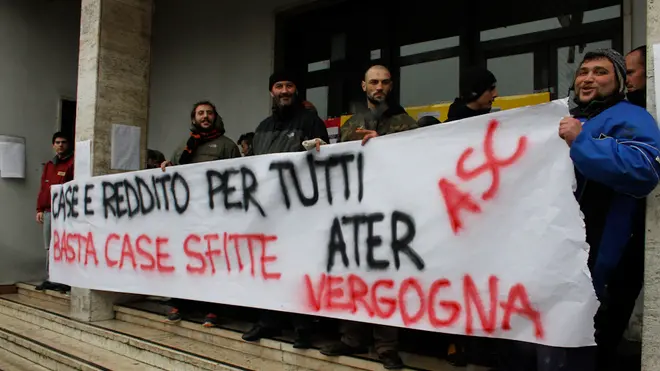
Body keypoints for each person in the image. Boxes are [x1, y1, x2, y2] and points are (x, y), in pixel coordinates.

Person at [511, 49, 660, 371]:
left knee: (584, 350)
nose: (589, 78)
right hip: (553, 259)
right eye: (583, 72)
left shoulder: (632, 117)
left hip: (602, 264)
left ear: (619, 82)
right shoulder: (561, 119)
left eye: (600, 72)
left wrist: (582, 142)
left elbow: (643, 172)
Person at [321, 65, 417, 370]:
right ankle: (352, 337)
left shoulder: (407, 124)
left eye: (384, 82)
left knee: (385, 281)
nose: (379, 86)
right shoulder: (352, 125)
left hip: (390, 215)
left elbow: (420, 160)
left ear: (391, 86)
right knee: (353, 278)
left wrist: (385, 145)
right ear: (363, 86)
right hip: (355, 215)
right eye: (373, 82)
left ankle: (386, 346)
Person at [242, 71, 329, 348]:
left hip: (301, 211)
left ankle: (302, 326)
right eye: (279, 86)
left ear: (296, 90)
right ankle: (268, 320)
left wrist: (320, 149)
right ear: (271, 91)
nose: (284, 90)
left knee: (298, 267)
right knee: (269, 266)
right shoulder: (263, 127)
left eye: (289, 85)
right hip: (269, 212)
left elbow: (326, 160)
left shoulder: (311, 121)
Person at [161, 100, 241, 327]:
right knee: (185, 260)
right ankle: (180, 303)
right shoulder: (184, 146)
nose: (205, 117)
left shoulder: (227, 146)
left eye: (209, 113)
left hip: (216, 217)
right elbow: (174, 175)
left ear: (215, 117)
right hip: (188, 218)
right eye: (200, 113)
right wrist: (167, 166)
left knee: (213, 261)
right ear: (194, 118)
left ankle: (212, 309)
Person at [35, 132, 75, 292]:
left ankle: (65, 279)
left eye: (63, 142)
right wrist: (39, 209)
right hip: (48, 211)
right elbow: (43, 189)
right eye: (57, 142)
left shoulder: (72, 163)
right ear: (53, 145)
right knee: (49, 246)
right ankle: (51, 277)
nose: (60, 145)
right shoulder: (50, 165)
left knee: (65, 244)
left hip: (65, 212)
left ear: (68, 144)